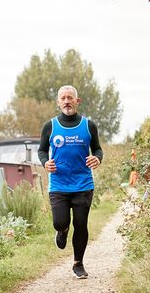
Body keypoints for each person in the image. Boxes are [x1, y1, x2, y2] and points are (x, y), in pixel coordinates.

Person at [38, 85, 103, 279]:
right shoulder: (50, 126)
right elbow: (42, 150)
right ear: (58, 102)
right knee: (60, 221)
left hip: (83, 184)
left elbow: (98, 149)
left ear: (77, 101)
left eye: (70, 98)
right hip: (58, 184)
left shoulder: (88, 126)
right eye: (63, 98)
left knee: (81, 224)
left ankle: (78, 263)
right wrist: (45, 162)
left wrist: (97, 158)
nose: (66, 101)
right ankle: (62, 230)